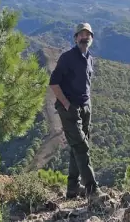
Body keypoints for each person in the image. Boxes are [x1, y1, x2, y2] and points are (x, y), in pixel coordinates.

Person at [49, 22, 106, 201]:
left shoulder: (89, 58)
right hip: (70, 109)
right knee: (81, 146)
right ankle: (92, 189)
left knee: (76, 148)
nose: (84, 37)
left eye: (87, 35)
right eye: (81, 35)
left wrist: (88, 105)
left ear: (92, 39)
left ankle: (72, 189)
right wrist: (66, 104)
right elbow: (54, 83)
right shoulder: (67, 57)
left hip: (86, 108)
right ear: (75, 38)